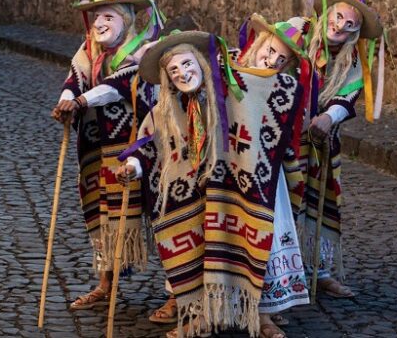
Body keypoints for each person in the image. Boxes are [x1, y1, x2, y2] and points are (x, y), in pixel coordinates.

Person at [116, 30, 303, 338]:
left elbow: (277, 88)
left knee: (253, 245)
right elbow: (147, 145)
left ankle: (262, 317)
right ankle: (202, 317)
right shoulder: (165, 111)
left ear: (201, 62)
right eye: (174, 71)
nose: (183, 73)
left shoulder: (231, 92)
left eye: (187, 64)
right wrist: (133, 168)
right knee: (200, 250)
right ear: (167, 79)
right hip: (195, 195)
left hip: (238, 188)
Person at [51, 0, 163, 310]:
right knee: (103, 214)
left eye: (109, 16)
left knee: (161, 215)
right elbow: (74, 81)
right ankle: (106, 284)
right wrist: (66, 102)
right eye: (97, 16)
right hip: (97, 146)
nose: (100, 22)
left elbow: (118, 86)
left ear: (126, 20)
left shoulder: (141, 51)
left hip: (139, 146)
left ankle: (177, 292)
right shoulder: (89, 51)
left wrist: (83, 100)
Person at [301, 0, 383, 299]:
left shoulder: (352, 61)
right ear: (327, 14)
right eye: (338, 18)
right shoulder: (300, 36)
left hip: (323, 144)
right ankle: (286, 273)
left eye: (351, 24)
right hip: (285, 140)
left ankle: (320, 271)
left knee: (323, 200)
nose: (341, 26)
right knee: (287, 202)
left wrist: (328, 118)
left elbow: (348, 97)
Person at [237, 14, 312, 338]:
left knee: (267, 233)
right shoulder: (231, 73)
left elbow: (290, 132)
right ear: (258, 43)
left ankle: (264, 313)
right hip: (230, 172)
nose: (271, 61)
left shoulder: (286, 87)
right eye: (269, 51)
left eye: (281, 60)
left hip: (268, 175)